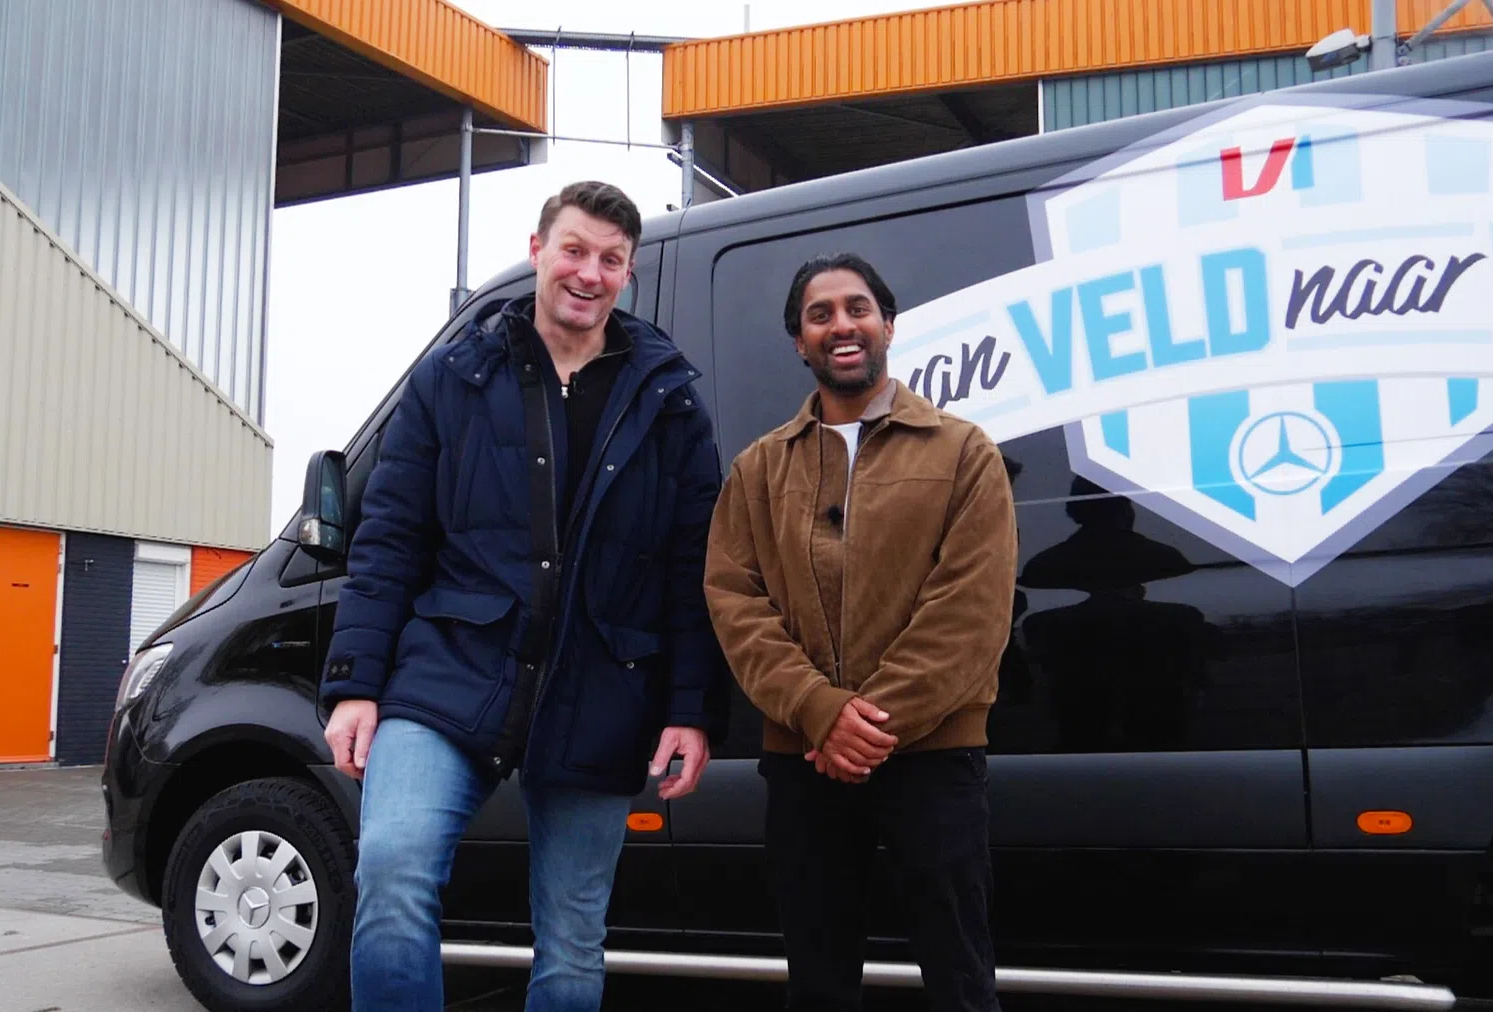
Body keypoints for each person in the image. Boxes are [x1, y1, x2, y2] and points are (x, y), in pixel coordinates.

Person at [319, 180, 727, 1012]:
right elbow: (391, 539)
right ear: (537, 250)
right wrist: (356, 683)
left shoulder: (668, 399)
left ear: (628, 272)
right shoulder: (453, 378)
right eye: (574, 250)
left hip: (600, 688)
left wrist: (690, 708)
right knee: (392, 872)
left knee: (573, 949)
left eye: (611, 259)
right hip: (451, 672)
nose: (590, 273)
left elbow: (693, 566)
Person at [703, 252, 1018, 1011]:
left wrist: (866, 726)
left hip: (933, 757)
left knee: (959, 977)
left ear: (886, 324)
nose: (840, 325)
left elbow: (970, 606)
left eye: (856, 308)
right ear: (799, 341)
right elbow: (733, 600)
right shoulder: (756, 470)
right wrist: (820, 712)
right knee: (817, 977)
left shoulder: (961, 450)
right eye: (820, 314)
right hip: (802, 762)